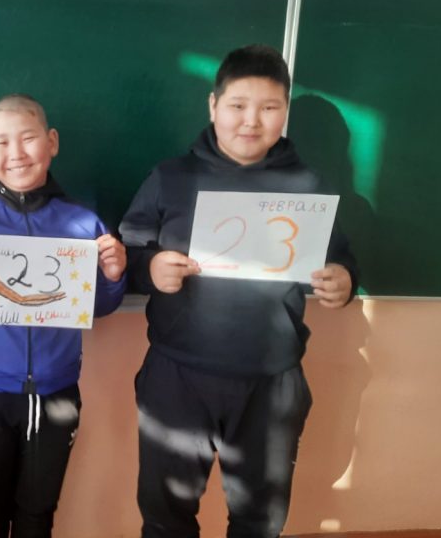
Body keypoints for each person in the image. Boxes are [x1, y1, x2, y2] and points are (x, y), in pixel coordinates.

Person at [119, 44, 358, 538]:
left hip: (271, 381)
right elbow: (129, 253)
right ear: (213, 106)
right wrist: (150, 267)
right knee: (165, 515)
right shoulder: (170, 178)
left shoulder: (308, 186)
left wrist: (345, 280)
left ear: (284, 112)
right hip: (178, 374)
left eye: (269, 107)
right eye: (237, 105)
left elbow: (339, 257)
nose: (251, 121)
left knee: (260, 519)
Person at [0, 94, 127, 538]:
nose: (16, 153)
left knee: (38, 513)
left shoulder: (83, 222)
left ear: (52, 142)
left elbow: (97, 308)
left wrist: (113, 276)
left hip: (55, 389)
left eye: (28, 138)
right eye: (2, 142)